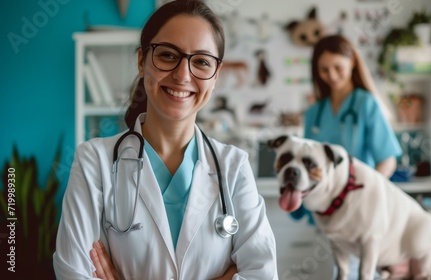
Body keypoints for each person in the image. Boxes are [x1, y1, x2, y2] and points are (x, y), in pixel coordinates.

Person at [53, 1, 278, 279]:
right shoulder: (94, 161)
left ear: (215, 76)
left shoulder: (233, 166)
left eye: (201, 62)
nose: (183, 75)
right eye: (168, 55)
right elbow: (72, 272)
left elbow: (263, 274)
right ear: (141, 61)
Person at [296, 34, 405, 276]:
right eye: (324, 70)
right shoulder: (315, 112)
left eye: (338, 67)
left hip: (360, 207)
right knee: (335, 271)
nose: (332, 76)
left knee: (362, 270)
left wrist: (369, 192)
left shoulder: (366, 104)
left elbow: (387, 160)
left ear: (353, 63)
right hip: (325, 207)